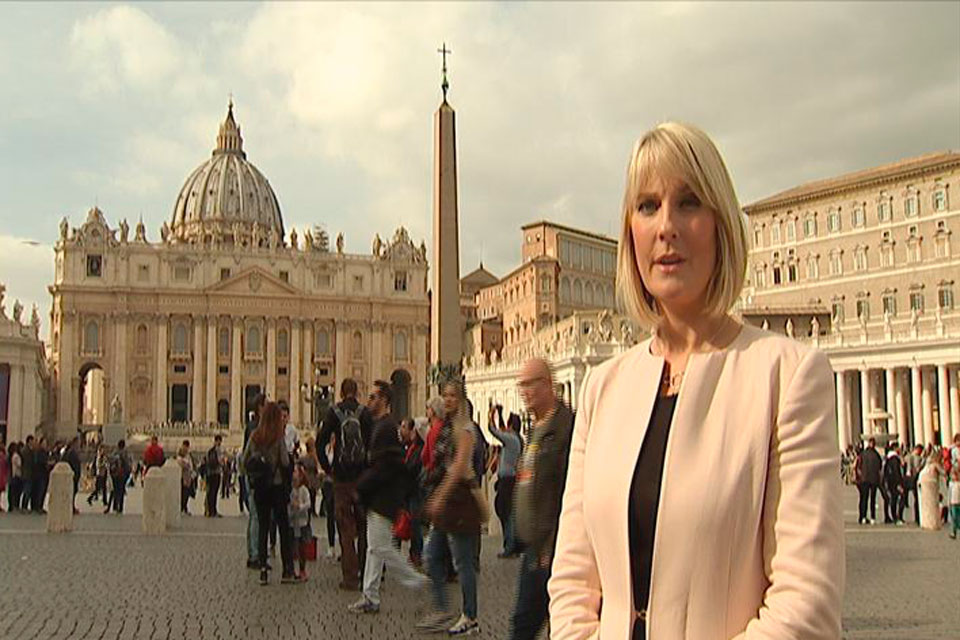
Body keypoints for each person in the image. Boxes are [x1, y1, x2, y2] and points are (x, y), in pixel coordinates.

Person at [548, 122, 844, 639]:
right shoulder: (602, 389)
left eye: (688, 203)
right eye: (647, 206)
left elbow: (806, 603)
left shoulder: (788, 376)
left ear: (721, 224)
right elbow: (573, 579)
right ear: (630, 235)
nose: (666, 227)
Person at [508, 359, 575, 640]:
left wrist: (553, 544)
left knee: (525, 625)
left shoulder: (566, 428)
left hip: (551, 549)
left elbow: (569, 491)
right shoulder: (536, 427)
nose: (523, 391)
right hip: (534, 546)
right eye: (520, 384)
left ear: (548, 384)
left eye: (529, 383)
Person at [349, 381, 428, 614]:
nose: (368, 401)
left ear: (384, 400)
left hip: (382, 498)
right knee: (374, 548)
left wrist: (361, 486)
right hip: (379, 497)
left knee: (381, 547)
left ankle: (417, 581)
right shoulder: (382, 426)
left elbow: (384, 466)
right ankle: (370, 596)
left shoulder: (385, 428)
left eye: (373, 397)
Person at [419, 380, 482, 636]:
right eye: (444, 395)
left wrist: (438, 497)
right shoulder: (446, 427)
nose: (448, 400)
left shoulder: (465, 429)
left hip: (459, 501)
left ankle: (470, 615)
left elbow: (458, 468)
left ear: (462, 399)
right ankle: (445, 609)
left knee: (462, 562)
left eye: (453, 396)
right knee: (431, 557)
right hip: (445, 503)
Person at [317, 378, 374, 591]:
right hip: (362, 477)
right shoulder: (365, 413)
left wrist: (328, 467)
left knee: (345, 527)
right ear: (357, 392)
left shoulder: (334, 413)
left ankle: (350, 577)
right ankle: (365, 573)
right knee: (363, 525)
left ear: (341, 392)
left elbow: (320, 441)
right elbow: (373, 444)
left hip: (341, 478)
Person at [242, 401, 297, 586]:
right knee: (283, 527)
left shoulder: (255, 436)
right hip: (277, 486)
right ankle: (288, 570)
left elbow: (244, 460)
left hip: (260, 488)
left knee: (263, 527)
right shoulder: (278, 436)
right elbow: (284, 461)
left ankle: (263, 570)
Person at [490, 407, 523, 558]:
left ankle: (510, 546)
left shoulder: (511, 440)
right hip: (509, 479)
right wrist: (500, 415)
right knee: (506, 512)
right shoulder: (516, 439)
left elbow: (494, 431)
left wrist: (491, 415)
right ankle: (512, 545)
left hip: (507, 480)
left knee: (506, 513)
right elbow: (502, 429)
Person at [244, 393, 266, 569]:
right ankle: (255, 554)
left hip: (252, 474)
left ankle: (255, 552)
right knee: (257, 516)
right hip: (257, 475)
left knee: (255, 516)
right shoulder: (258, 428)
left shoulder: (251, 426)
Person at [400, 417, 426, 567]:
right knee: (410, 521)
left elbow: (413, 468)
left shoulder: (419, 449)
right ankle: (413, 552)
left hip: (416, 490)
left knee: (416, 523)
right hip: (409, 490)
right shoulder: (409, 446)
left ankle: (417, 553)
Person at [289, 464, 312, 582]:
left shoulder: (304, 490)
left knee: (302, 546)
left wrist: (300, 506)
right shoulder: (290, 490)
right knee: (293, 546)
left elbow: (308, 504)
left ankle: (302, 569)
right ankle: (292, 569)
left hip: (302, 522)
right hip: (292, 522)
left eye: (296, 472)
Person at [858, 438, 883, 524]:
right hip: (872, 479)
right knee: (871, 499)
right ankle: (871, 517)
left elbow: (859, 465)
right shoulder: (876, 454)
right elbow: (880, 466)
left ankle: (865, 517)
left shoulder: (863, 454)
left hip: (865, 479)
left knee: (865, 498)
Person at [107, 440, 132, 514]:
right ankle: (120, 507)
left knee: (115, 490)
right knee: (121, 491)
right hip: (122, 474)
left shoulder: (114, 453)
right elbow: (128, 464)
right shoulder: (125, 453)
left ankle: (114, 506)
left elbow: (110, 461)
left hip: (114, 474)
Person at [882, 443, 904, 525]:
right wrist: (899, 483)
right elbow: (896, 472)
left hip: (889, 481)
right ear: (895, 448)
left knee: (893, 499)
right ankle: (896, 517)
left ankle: (892, 516)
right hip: (895, 482)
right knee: (899, 498)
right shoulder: (894, 459)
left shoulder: (888, 458)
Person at [301, 437, 322, 517]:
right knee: (312, 495)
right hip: (313, 477)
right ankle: (312, 510)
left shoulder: (305, 457)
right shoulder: (314, 457)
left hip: (307, 477)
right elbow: (317, 467)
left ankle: (310, 510)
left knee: (310, 494)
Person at [903, 444, 924, 525]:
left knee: (905, 497)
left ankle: (899, 516)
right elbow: (917, 468)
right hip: (913, 478)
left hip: (908, 478)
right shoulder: (916, 457)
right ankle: (917, 517)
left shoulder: (908, 456)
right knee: (916, 498)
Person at [205, 435, 223, 517]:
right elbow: (220, 461)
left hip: (211, 473)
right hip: (215, 473)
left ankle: (211, 510)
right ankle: (213, 511)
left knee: (211, 493)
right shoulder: (217, 450)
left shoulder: (210, 450)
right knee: (213, 492)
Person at [64, 438, 82, 514]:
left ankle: (72, 506)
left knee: (73, 492)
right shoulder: (71, 453)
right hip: (73, 476)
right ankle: (70, 507)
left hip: (75, 475)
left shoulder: (73, 452)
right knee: (72, 492)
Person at [177, 440, 195, 515]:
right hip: (182, 476)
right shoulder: (180, 453)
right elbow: (180, 463)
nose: (186, 448)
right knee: (183, 492)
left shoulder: (189, 454)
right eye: (185, 446)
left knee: (187, 493)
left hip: (188, 476)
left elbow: (191, 463)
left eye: (187, 446)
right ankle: (181, 508)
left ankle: (185, 507)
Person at [20, 436, 35, 512]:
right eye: (32, 441)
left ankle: (24, 506)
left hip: (28, 473)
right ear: (29, 441)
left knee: (28, 491)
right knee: (27, 491)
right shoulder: (26, 451)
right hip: (27, 473)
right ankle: (24, 506)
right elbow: (29, 462)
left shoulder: (28, 450)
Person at [7, 442, 23, 512]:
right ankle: (14, 506)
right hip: (16, 475)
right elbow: (19, 465)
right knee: (15, 491)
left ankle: (13, 506)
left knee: (13, 491)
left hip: (14, 475)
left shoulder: (12, 456)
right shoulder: (16, 456)